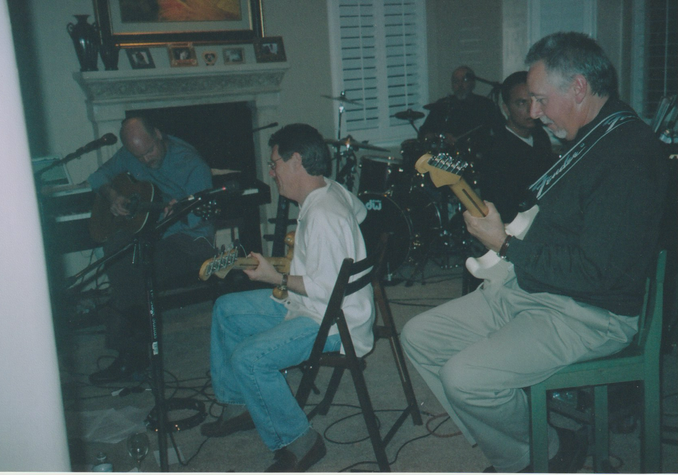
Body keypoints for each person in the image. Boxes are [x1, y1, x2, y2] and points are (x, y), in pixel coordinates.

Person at [401, 32, 669, 473]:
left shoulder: (629, 156)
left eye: (541, 100)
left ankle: (535, 456)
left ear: (579, 88)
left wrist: (505, 244)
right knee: (419, 337)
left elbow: (597, 273)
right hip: (536, 288)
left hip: (588, 312)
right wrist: (505, 233)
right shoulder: (591, 136)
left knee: (464, 378)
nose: (535, 112)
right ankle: (523, 442)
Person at [200, 123, 373, 472]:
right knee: (227, 310)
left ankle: (300, 441)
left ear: (295, 161)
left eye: (274, 162)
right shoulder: (331, 189)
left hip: (332, 322)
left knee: (250, 360)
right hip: (317, 307)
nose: (271, 171)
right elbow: (361, 213)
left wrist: (274, 276)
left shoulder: (322, 214)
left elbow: (325, 289)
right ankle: (239, 403)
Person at [87, 115, 216, 384]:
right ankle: (132, 355)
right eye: (138, 155)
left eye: (149, 151)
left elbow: (201, 218)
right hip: (153, 238)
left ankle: (131, 357)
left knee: (129, 267)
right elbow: (97, 176)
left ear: (158, 134)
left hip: (189, 243)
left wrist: (176, 214)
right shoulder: (130, 155)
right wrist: (114, 196)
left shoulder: (191, 164)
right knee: (117, 248)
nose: (145, 160)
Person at [478, 71, 558, 223]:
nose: (531, 109)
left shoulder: (540, 136)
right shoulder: (497, 149)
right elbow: (505, 208)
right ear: (506, 109)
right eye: (521, 103)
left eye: (535, 100)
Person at [419, 65, 504, 152]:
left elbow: (501, 131)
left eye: (465, 80)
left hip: (477, 155)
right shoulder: (442, 105)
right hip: (448, 155)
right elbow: (425, 132)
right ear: (452, 85)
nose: (460, 85)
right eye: (456, 81)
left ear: (473, 83)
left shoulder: (485, 105)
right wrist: (441, 136)